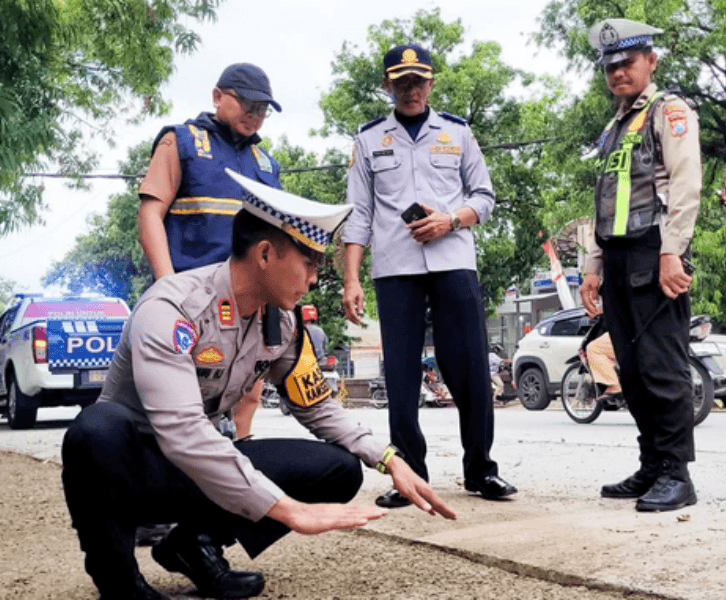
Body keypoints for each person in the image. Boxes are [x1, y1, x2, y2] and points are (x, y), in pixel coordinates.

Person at [62, 170, 457, 600]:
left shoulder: (281, 322)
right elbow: (181, 432)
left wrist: (388, 459)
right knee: (94, 430)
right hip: (138, 471)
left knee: (338, 470)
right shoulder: (173, 307)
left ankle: (194, 545)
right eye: (310, 264)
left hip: (200, 469)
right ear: (266, 253)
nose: (313, 280)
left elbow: (316, 406)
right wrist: (290, 511)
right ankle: (119, 580)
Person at [341, 43, 516, 509]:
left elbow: (484, 197)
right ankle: (411, 475)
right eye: (401, 82)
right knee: (400, 375)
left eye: (418, 81)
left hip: (453, 261)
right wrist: (351, 279)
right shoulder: (368, 140)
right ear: (387, 86)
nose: (411, 90)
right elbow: (357, 214)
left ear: (431, 82)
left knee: (472, 370)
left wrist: (450, 220)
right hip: (395, 269)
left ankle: (481, 469)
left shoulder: (457, 133)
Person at [579, 19, 703, 512]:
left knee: (661, 366)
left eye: (626, 63)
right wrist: (592, 264)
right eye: (610, 67)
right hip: (617, 257)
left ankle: (677, 473)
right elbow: (604, 201)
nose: (617, 73)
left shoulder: (668, 111)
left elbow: (686, 182)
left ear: (650, 60)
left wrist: (673, 249)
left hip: (655, 253)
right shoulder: (614, 128)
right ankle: (652, 465)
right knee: (630, 370)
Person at [137, 62, 284, 441]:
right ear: (218, 96)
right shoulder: (181, 142)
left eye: (263, 109)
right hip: (191, 298)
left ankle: (242, 456)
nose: (255, 115)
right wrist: (168, 289)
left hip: (248, 304)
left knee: (248, 390)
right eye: (248, 104)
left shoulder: (266, 165)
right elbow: (151, 213)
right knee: (179, 399)